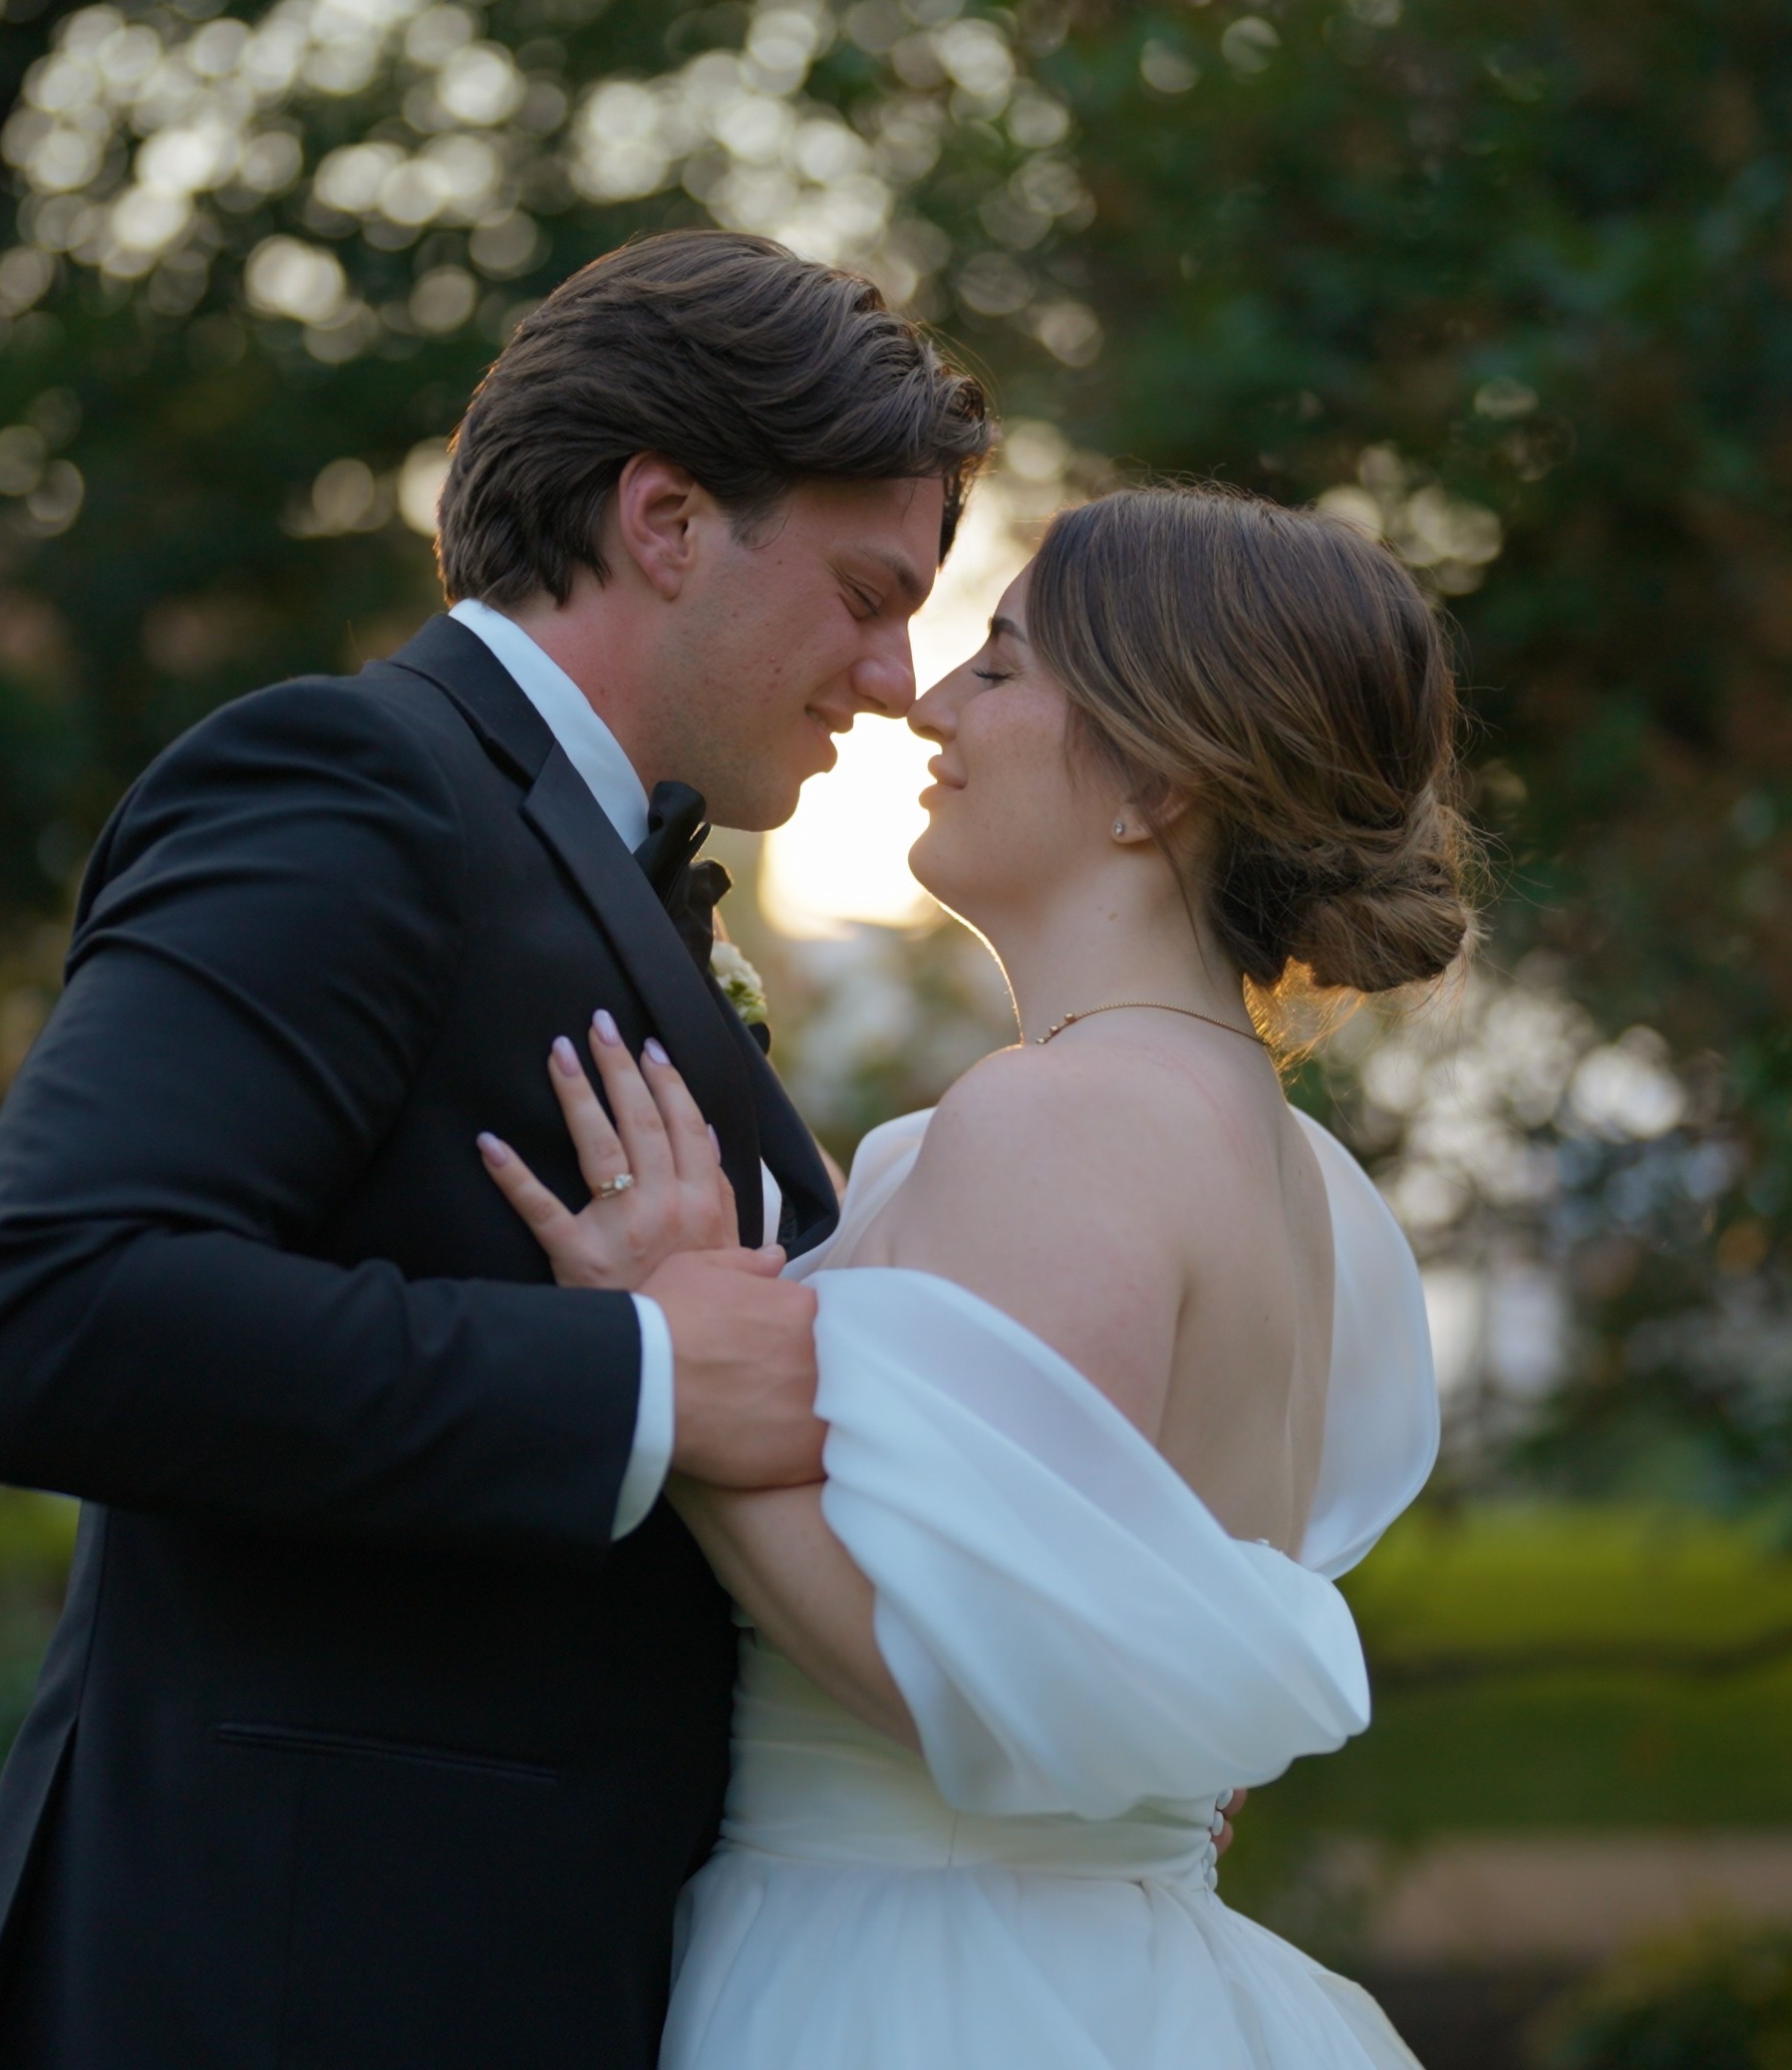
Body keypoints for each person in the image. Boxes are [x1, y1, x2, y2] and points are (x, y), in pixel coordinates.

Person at [0, 230, 992, 2070]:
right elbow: (46, 1316)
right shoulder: (347, 789)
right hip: (291, 1986)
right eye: (866, 590)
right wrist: (642, 1378)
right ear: (666, 518)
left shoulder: (602, 868)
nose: (896, 677)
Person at [479, 483, 1463, 2067]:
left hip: (919, 1977)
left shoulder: (1060, 1117)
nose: (928, 701)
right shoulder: (1307, 1179)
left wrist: (671, 1338)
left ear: (1156, 781)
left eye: (999, 669)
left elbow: (943, 1667)